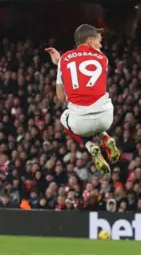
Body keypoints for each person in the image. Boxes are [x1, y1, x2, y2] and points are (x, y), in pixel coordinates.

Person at [45, 24, 121, 175]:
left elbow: (60, 97)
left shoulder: (64, 59)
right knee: (97, 108)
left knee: (64, 117)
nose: (101, 43)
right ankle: (106, 137)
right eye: (99, 40)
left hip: (80, 123)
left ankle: (90, 146)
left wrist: (59, 64)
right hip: (106, 118)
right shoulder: (103, 59)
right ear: (90, 41)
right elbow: (88, 65)